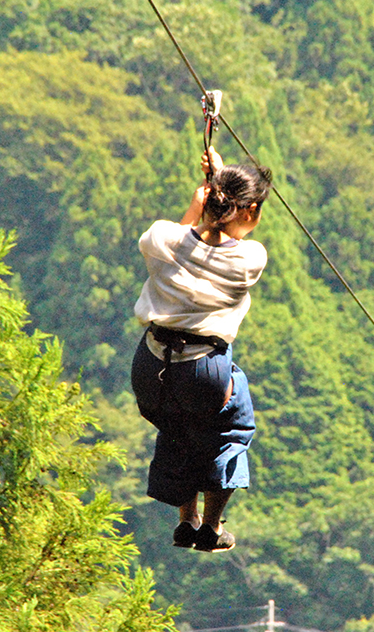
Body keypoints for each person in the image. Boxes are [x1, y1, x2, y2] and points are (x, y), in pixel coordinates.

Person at [131, 145, 272, 553]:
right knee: (231, 424)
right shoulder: (250, 259)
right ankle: (210, 527)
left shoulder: (159, 239)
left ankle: (185, 519)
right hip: (203, 369)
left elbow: (181, 241)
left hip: (151, 363)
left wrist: (201, 201)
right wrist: (222, 179)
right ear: (248, 212)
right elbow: (226, 239)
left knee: (176, 424)